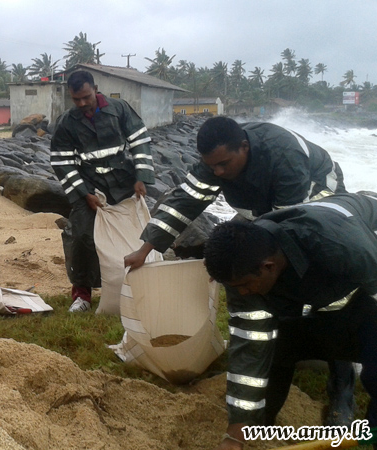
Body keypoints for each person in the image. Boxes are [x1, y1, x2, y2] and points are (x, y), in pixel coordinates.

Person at [124, 115, 355, 426]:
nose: (218, 173)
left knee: (325, 290)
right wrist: (146, 249)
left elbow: (289, 225)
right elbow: (186, 201)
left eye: (224, 165)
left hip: (314, 202)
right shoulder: (216, 160)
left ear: (244, 147)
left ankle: (342, 387)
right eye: (212, 167)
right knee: (246, 276)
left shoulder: (284, 156)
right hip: (265, 212)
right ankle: (270, 351)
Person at [202, 193, 377, 449]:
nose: (242, 294)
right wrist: (236, 430)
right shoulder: (242, 267)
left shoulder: (342, 246)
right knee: (274, 350)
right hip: (324, 296)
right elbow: (251, 347)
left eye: (245, 286)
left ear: (269, 266)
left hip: (367, 282)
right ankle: (260, 429)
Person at [50, 70, 155, 312]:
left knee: (138, 233)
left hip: (123, 181)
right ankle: (82, 295)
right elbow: (61, 162)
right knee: (82, 237)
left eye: (86, 96)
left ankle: (141, 283)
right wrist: (84, 194)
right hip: (89, 184)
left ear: (95, 89)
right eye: (76, 99)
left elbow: (140, 141)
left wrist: (142, 177)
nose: (82, 103)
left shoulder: (120, 109)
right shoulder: (66, 122)